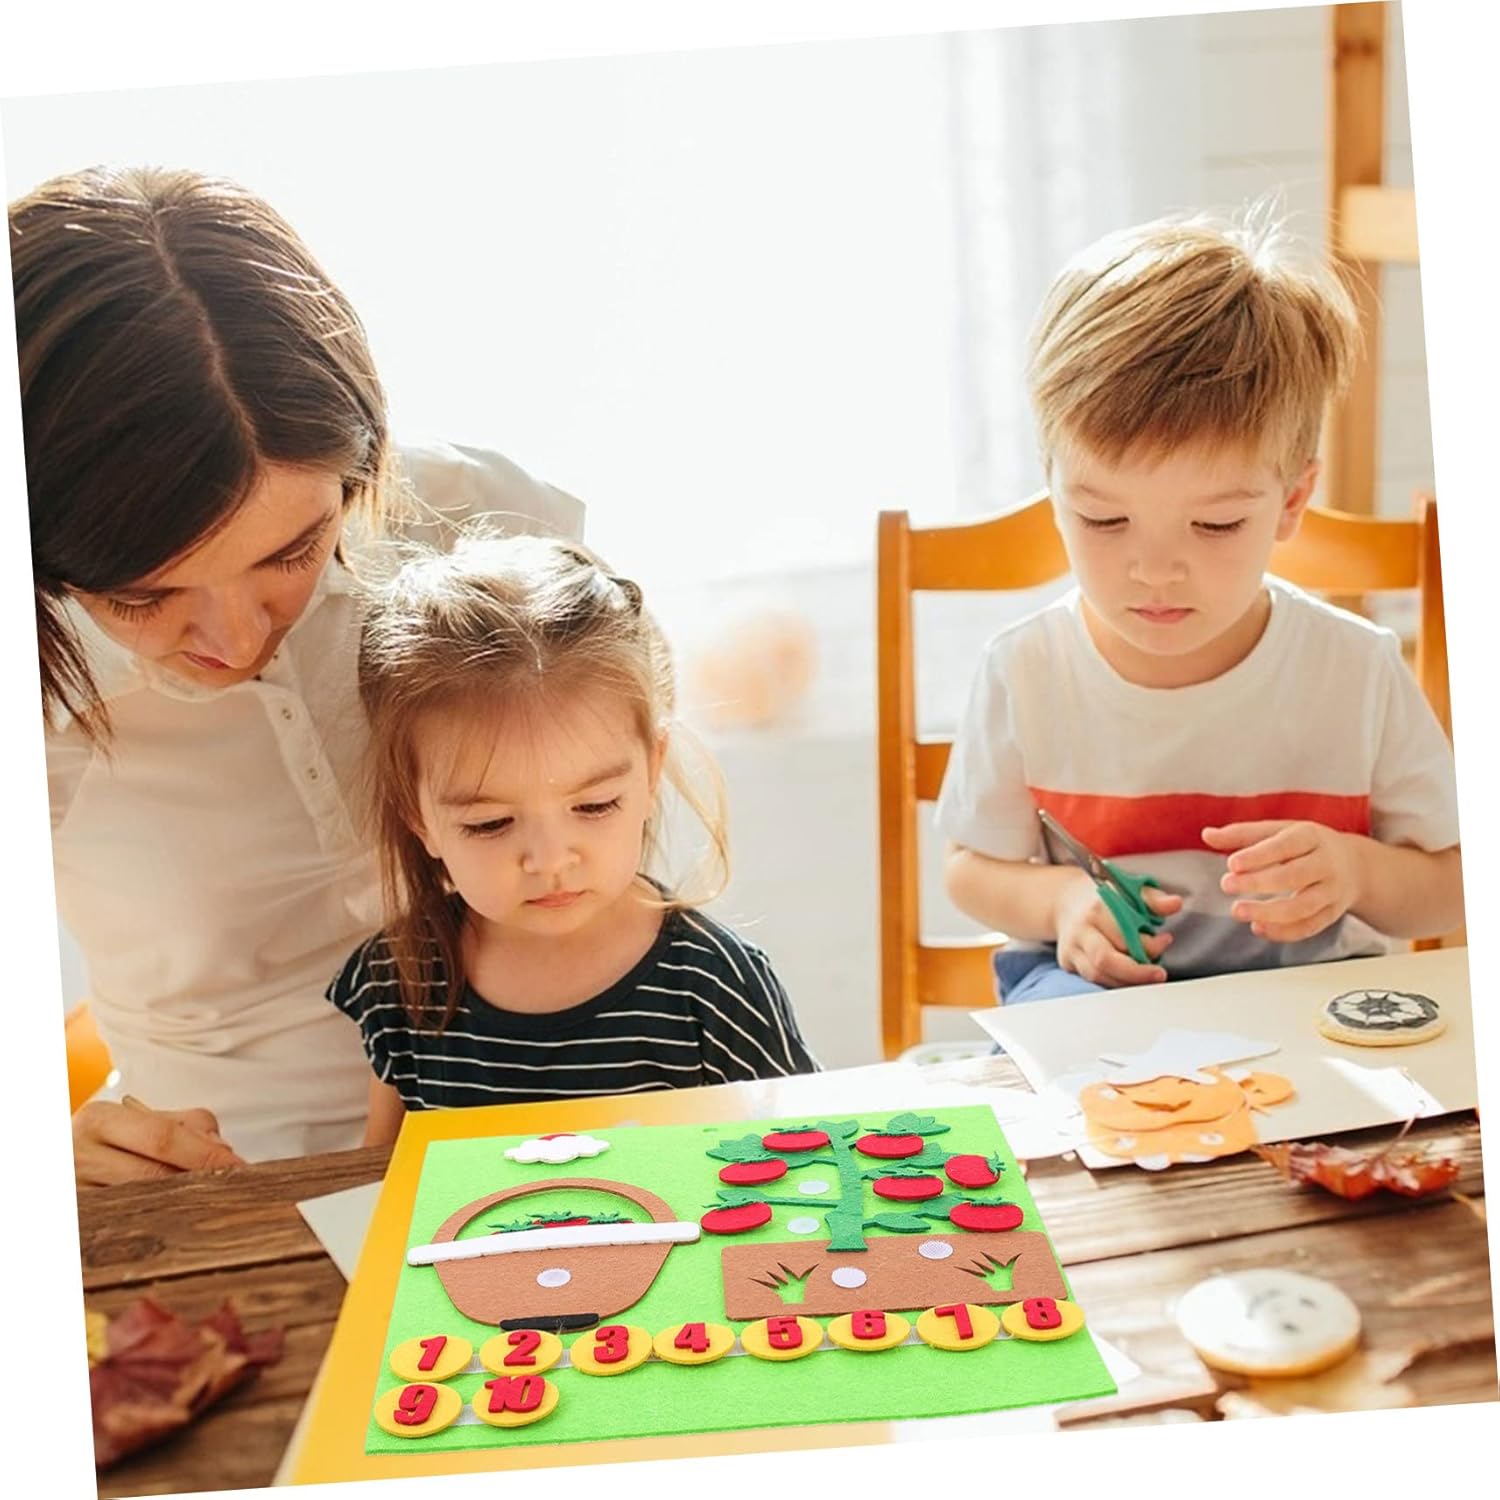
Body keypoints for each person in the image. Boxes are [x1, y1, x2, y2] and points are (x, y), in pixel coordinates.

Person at [17, 166, 582, 1183]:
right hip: (225, 1184)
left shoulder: (480, 527)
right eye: (144, 595)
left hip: (551, 1138)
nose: (236, 639)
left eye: (292, 552)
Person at [935, 211, 1464, 1004]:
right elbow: (970, 869)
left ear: (1291, 502)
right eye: (1103, 519)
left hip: (1310, 995)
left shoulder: (1354, 671)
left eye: (1215, 525)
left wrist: (1358, 872)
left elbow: (1453, 885)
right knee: (1071, 1038)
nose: (1154, 571)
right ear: (1053, 487)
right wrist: (1063, 901)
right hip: (1095, 995)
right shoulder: (1026, 670)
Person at [326, 532, 818, 1139]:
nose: (551, 859)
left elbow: (805, 1160)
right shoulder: (401, 979)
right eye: (490, 823)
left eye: (594, 805)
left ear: (652, 770)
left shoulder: (714, 985)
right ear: (417, 816)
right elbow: (383, 1178)